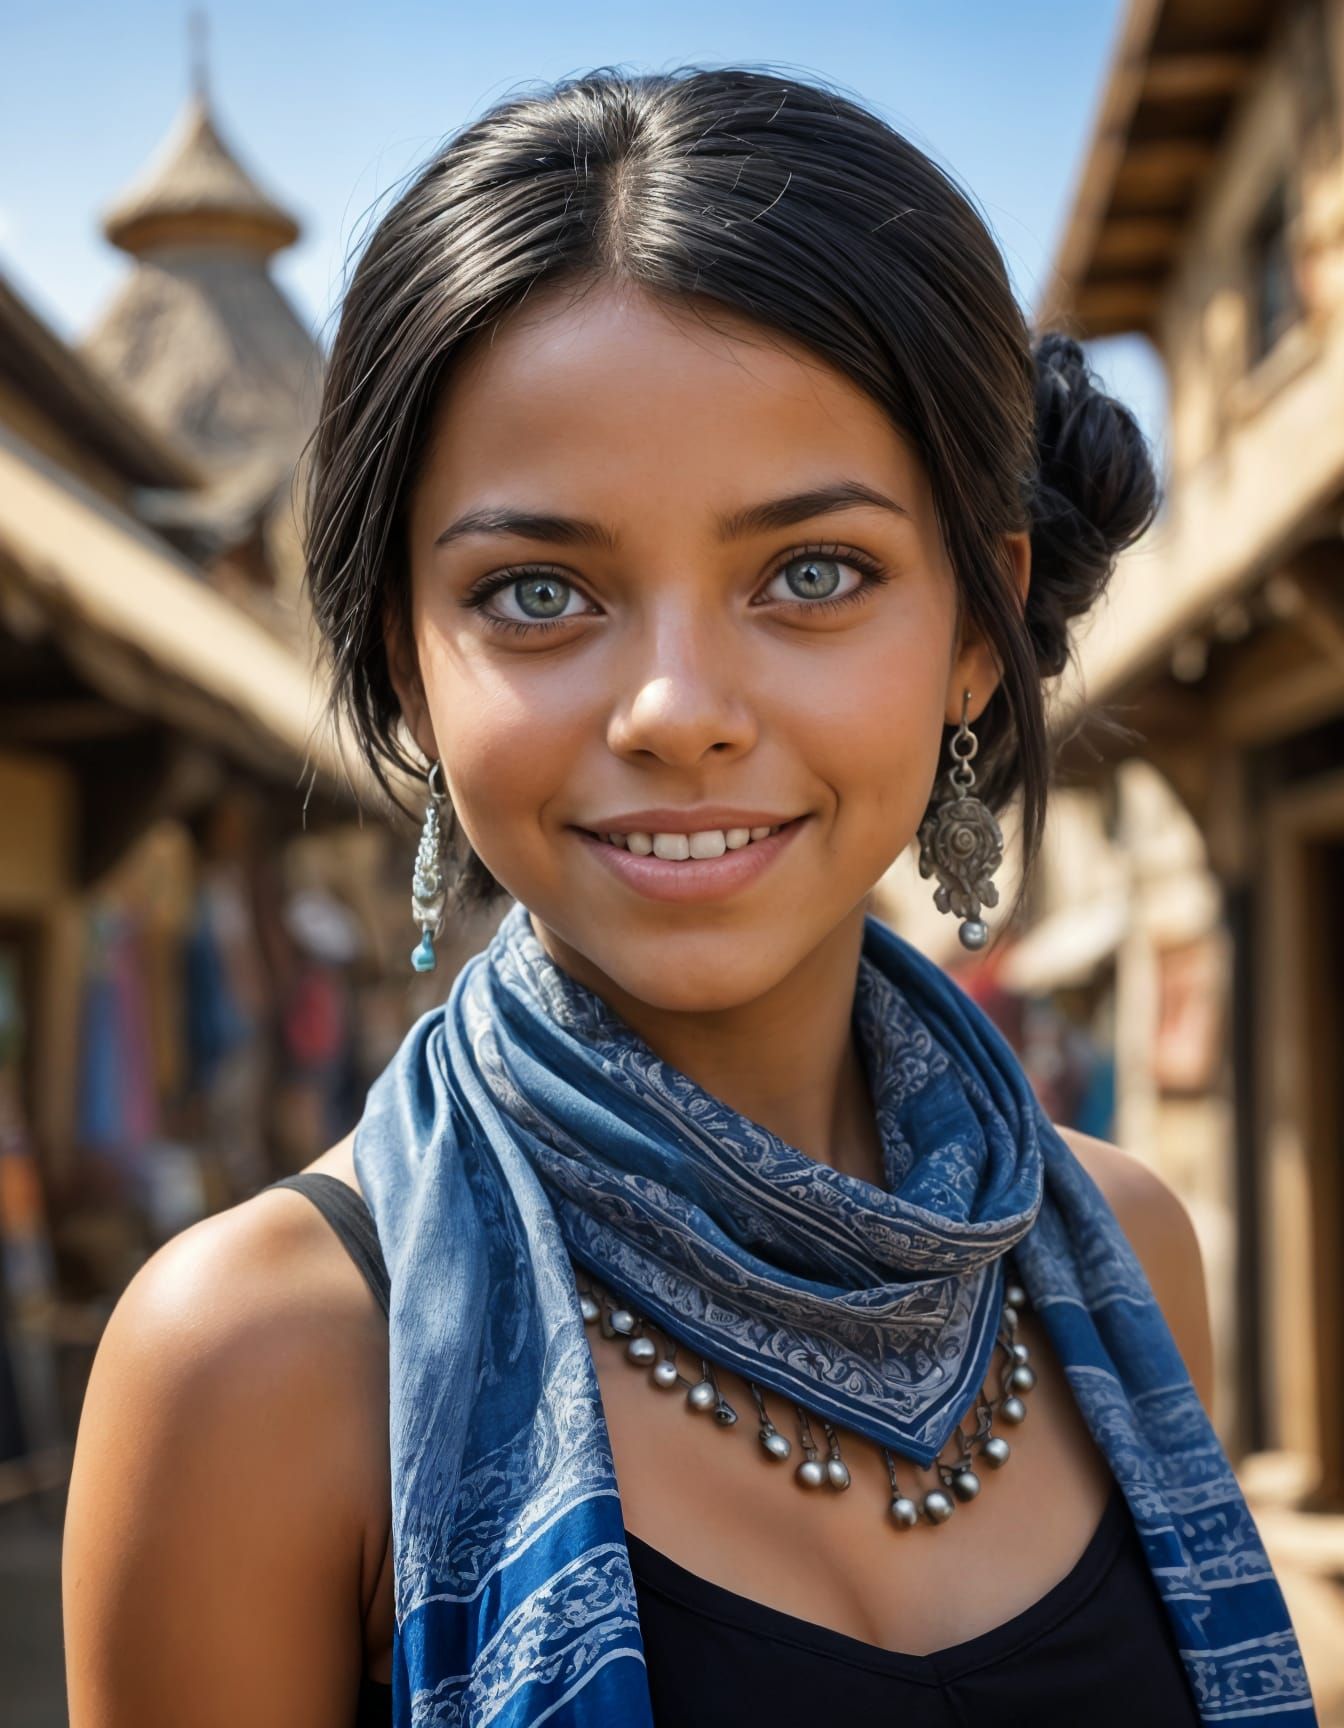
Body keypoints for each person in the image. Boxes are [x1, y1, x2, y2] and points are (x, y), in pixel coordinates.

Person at [61, 65, 1318, 1728]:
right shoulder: (258, 1367)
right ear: (407, 666)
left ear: (974, 628)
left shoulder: (1125, 1255)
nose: (677, 709)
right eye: (537, 592)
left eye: (813, 572)